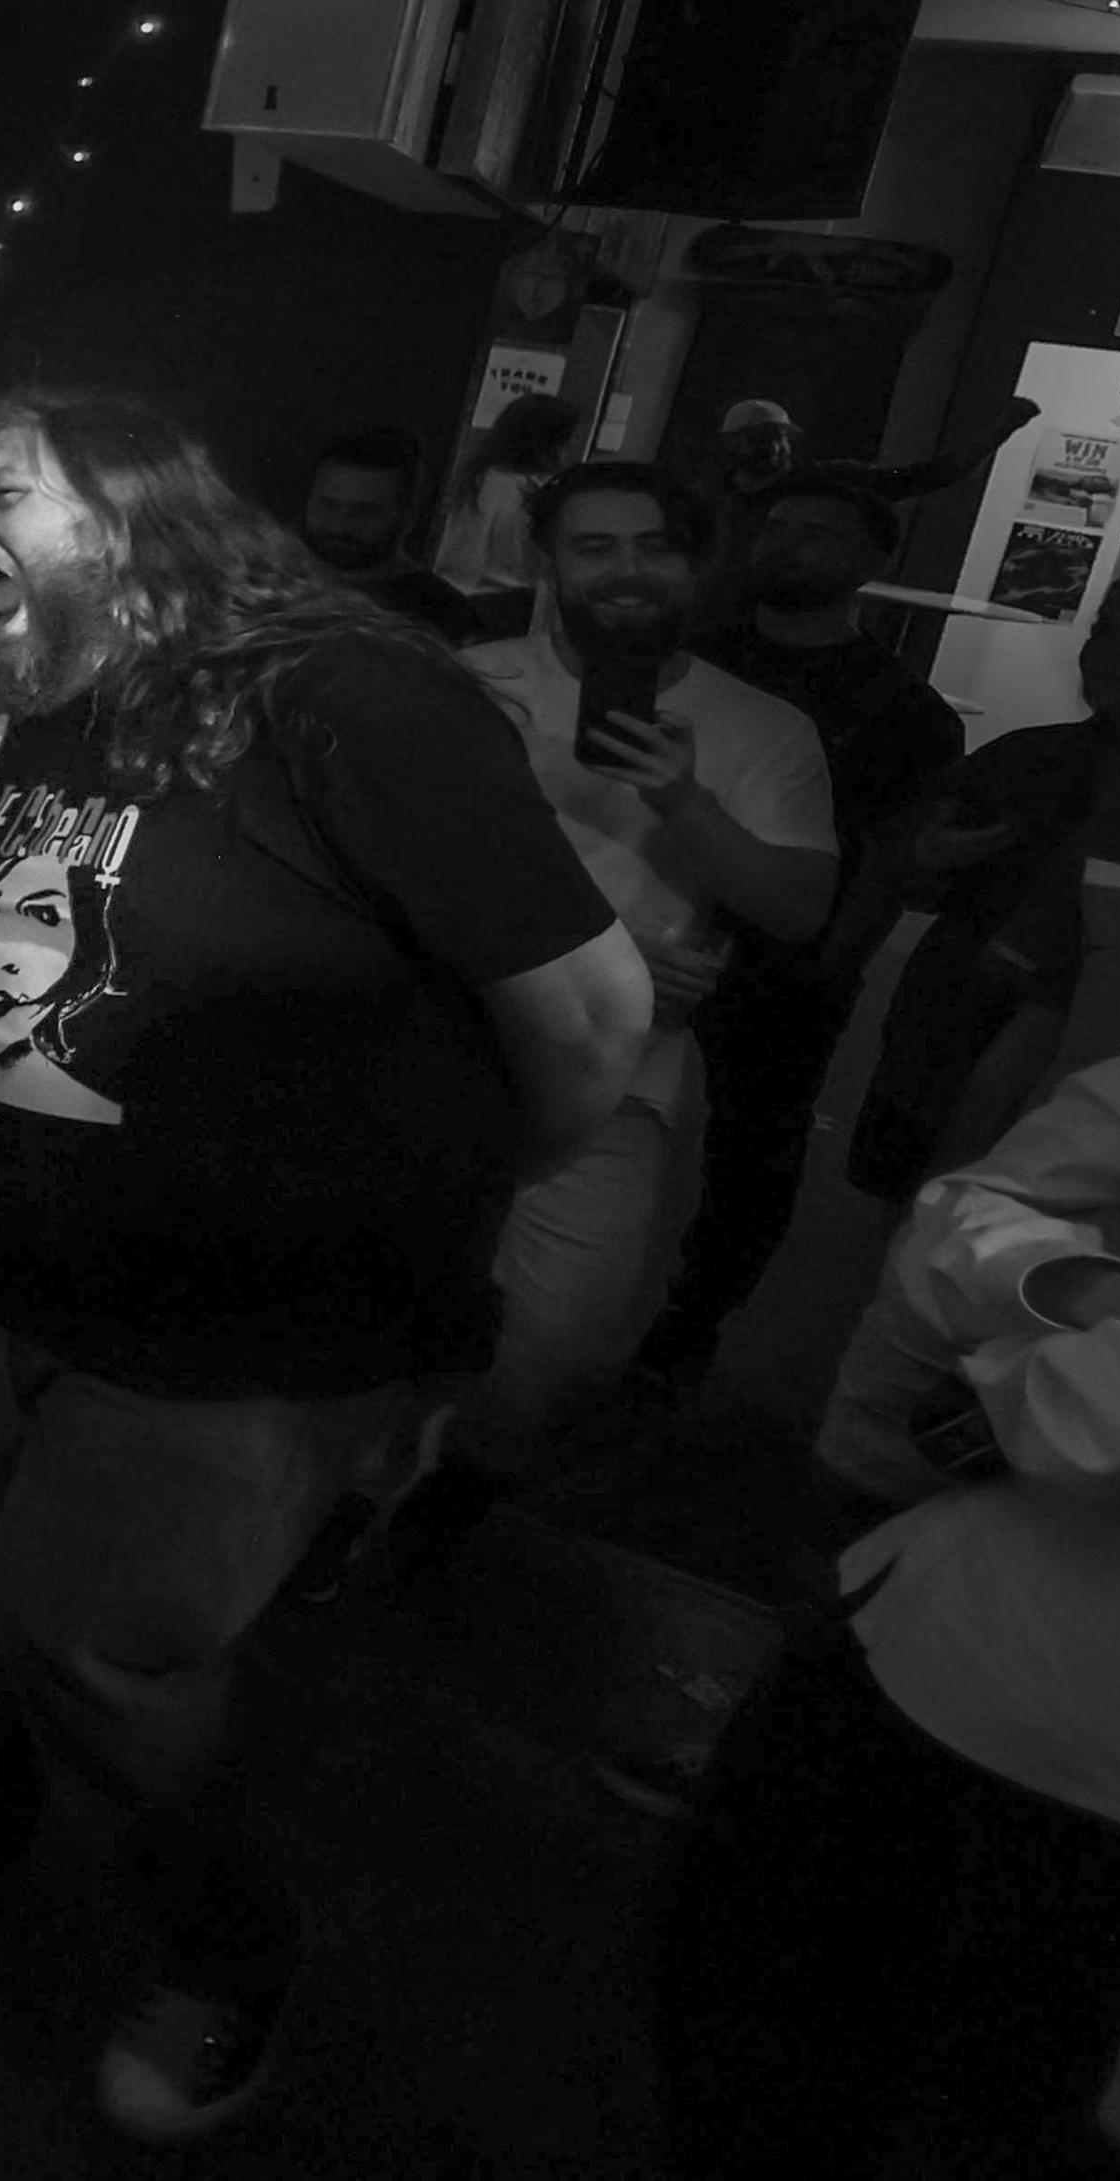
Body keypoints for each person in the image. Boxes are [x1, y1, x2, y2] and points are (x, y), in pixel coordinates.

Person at [0, 390, 639, 2146]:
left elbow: (588, 1022)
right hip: (21, 1283)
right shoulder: (67, 711)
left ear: (133, 509)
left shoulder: (346, 693)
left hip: (240, 1341)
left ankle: (223, 1958)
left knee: (96, 1653)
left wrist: (418, 1213)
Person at [664, 978, 1120, 2177]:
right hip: (913, 1664)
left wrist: (1009, 1378)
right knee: (731, 2072)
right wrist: (1083, 1291)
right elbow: (964, 1213)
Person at [434, 462, 831, 1489]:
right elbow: (380, 867)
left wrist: (683, 802)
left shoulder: (762, 729)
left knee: (555, 1343)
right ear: (548, 561)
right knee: (373, 1291)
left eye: (653, 545)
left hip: (611, 1076)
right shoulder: (464, 680)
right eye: (593, 546)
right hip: (434, 1042)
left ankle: (445, 1498)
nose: (625, 570)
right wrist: (591, 947)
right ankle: (349, 1505)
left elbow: (795, 908)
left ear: (691, 565)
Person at [633, 472, 963, 1392]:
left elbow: (891, 854)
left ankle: (694, 1317)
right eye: (776, 526)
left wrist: (833, 961)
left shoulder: (905, 711)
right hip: (659, 914)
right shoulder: (692, 659)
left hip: (787, 954)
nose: (785, 544)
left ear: (871, 559)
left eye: (815, 532)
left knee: (752, 1142)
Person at [834, 571, 1120, 1200]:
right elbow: (897, 875)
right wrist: (924, 859)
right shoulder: (1027, 758)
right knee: (913, 1223)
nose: (1109, 654)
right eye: (1104, 631)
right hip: (949, 1038)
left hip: (1116, 1065)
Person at [290, 421, 477, 638]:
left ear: (408, 517)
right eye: (328, 506)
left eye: (364, 512)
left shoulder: (438, 611)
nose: (338, 525)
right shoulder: (270, 586)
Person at [432, 387, 580, 610]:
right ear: (554, 443)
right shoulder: (544, 493)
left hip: (451, 595)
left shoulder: (477, 478)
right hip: (511, 605)